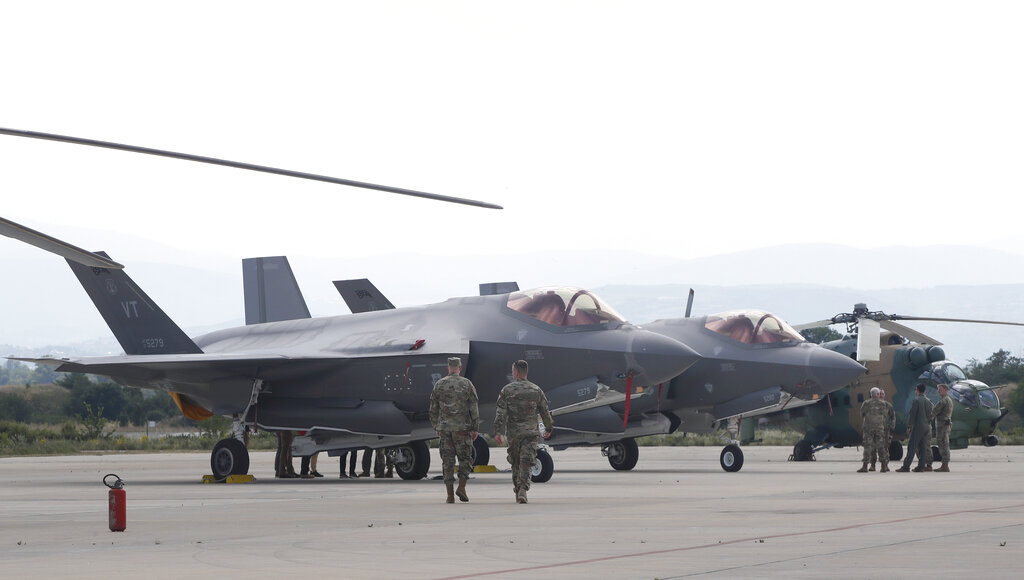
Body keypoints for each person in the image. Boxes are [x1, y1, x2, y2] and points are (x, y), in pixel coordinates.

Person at [494, 359, 553, 504]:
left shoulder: (506, 390)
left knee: (515, 463)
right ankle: (522, 490)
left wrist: (497, 432)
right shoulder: (536, 390)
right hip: (530, 433)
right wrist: (548, 428)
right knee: (526, 461)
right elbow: (545, 412)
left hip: (514, 434)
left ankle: (518, 490)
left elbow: (500, 414)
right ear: (526, 372)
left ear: (515, 372)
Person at [429, 357, 481, 503]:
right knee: (465, 459)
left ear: (448, 367)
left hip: (445, 429)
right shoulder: (467, 384)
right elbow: (474, 407)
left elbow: (433, 409)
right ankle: (462, 487)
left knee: (447, 462)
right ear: (459, 367)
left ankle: (450, 495)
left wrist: (436, 426)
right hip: (462, 428)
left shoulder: (439, 384)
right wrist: (475, 427)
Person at [897, 383, 933, 472]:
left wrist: (909, 426)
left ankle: (906, 466)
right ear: (924, 391)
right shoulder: (928, 401)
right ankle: (921, 467)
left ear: (917, 390)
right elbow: (930, 415)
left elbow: (913, 415)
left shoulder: (916, 400)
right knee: (923, 448)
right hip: (926, 427)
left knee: (912, 447)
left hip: (918, 427)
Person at [858, 387, 889, 473]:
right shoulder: (883, 404)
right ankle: (883, 466)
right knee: (881, 446)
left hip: (868, 427)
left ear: (871, 394)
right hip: (879, 428)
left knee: (867, 446)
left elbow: (862, 414)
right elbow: (885, 415)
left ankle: (865, 466)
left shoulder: (866, 403)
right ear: (878, 394)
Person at [931, 383, 954, 472]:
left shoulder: (944, 401)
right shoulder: (949, 400)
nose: (939, 391)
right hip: (945, 425)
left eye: (940, 390)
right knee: (944, 444)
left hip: (942, 426)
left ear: (946, 390)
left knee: (943, 444)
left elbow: (934, 411)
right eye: (938, 390)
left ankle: (945, 465)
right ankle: (944, 464)